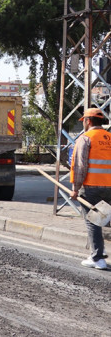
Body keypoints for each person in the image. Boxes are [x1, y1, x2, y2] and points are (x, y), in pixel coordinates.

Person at [70, 108, 111, 270]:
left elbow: (80, 167)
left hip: (91, 187)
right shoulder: (109, 138)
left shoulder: (86, 138)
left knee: (93, 221)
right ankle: (98, 252)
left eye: (84, 121)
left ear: (88, 121)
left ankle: (97, 258)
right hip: (109, 187)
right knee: (101, 219)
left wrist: (75, 188)